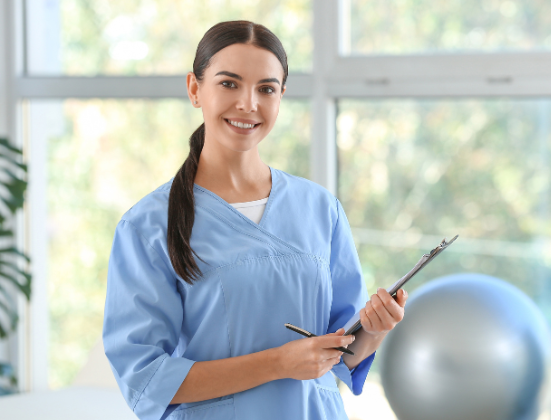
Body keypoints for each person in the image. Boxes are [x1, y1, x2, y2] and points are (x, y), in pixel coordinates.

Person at [102, 21, 408, 420]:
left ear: (281, 95)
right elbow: (145, 379)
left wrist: (377, 329)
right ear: (195, 89)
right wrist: (278, 363)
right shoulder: (148, 225)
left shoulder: (320, 208)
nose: (248, 103)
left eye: (266, 88)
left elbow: (342, 352)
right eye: (229, 84)